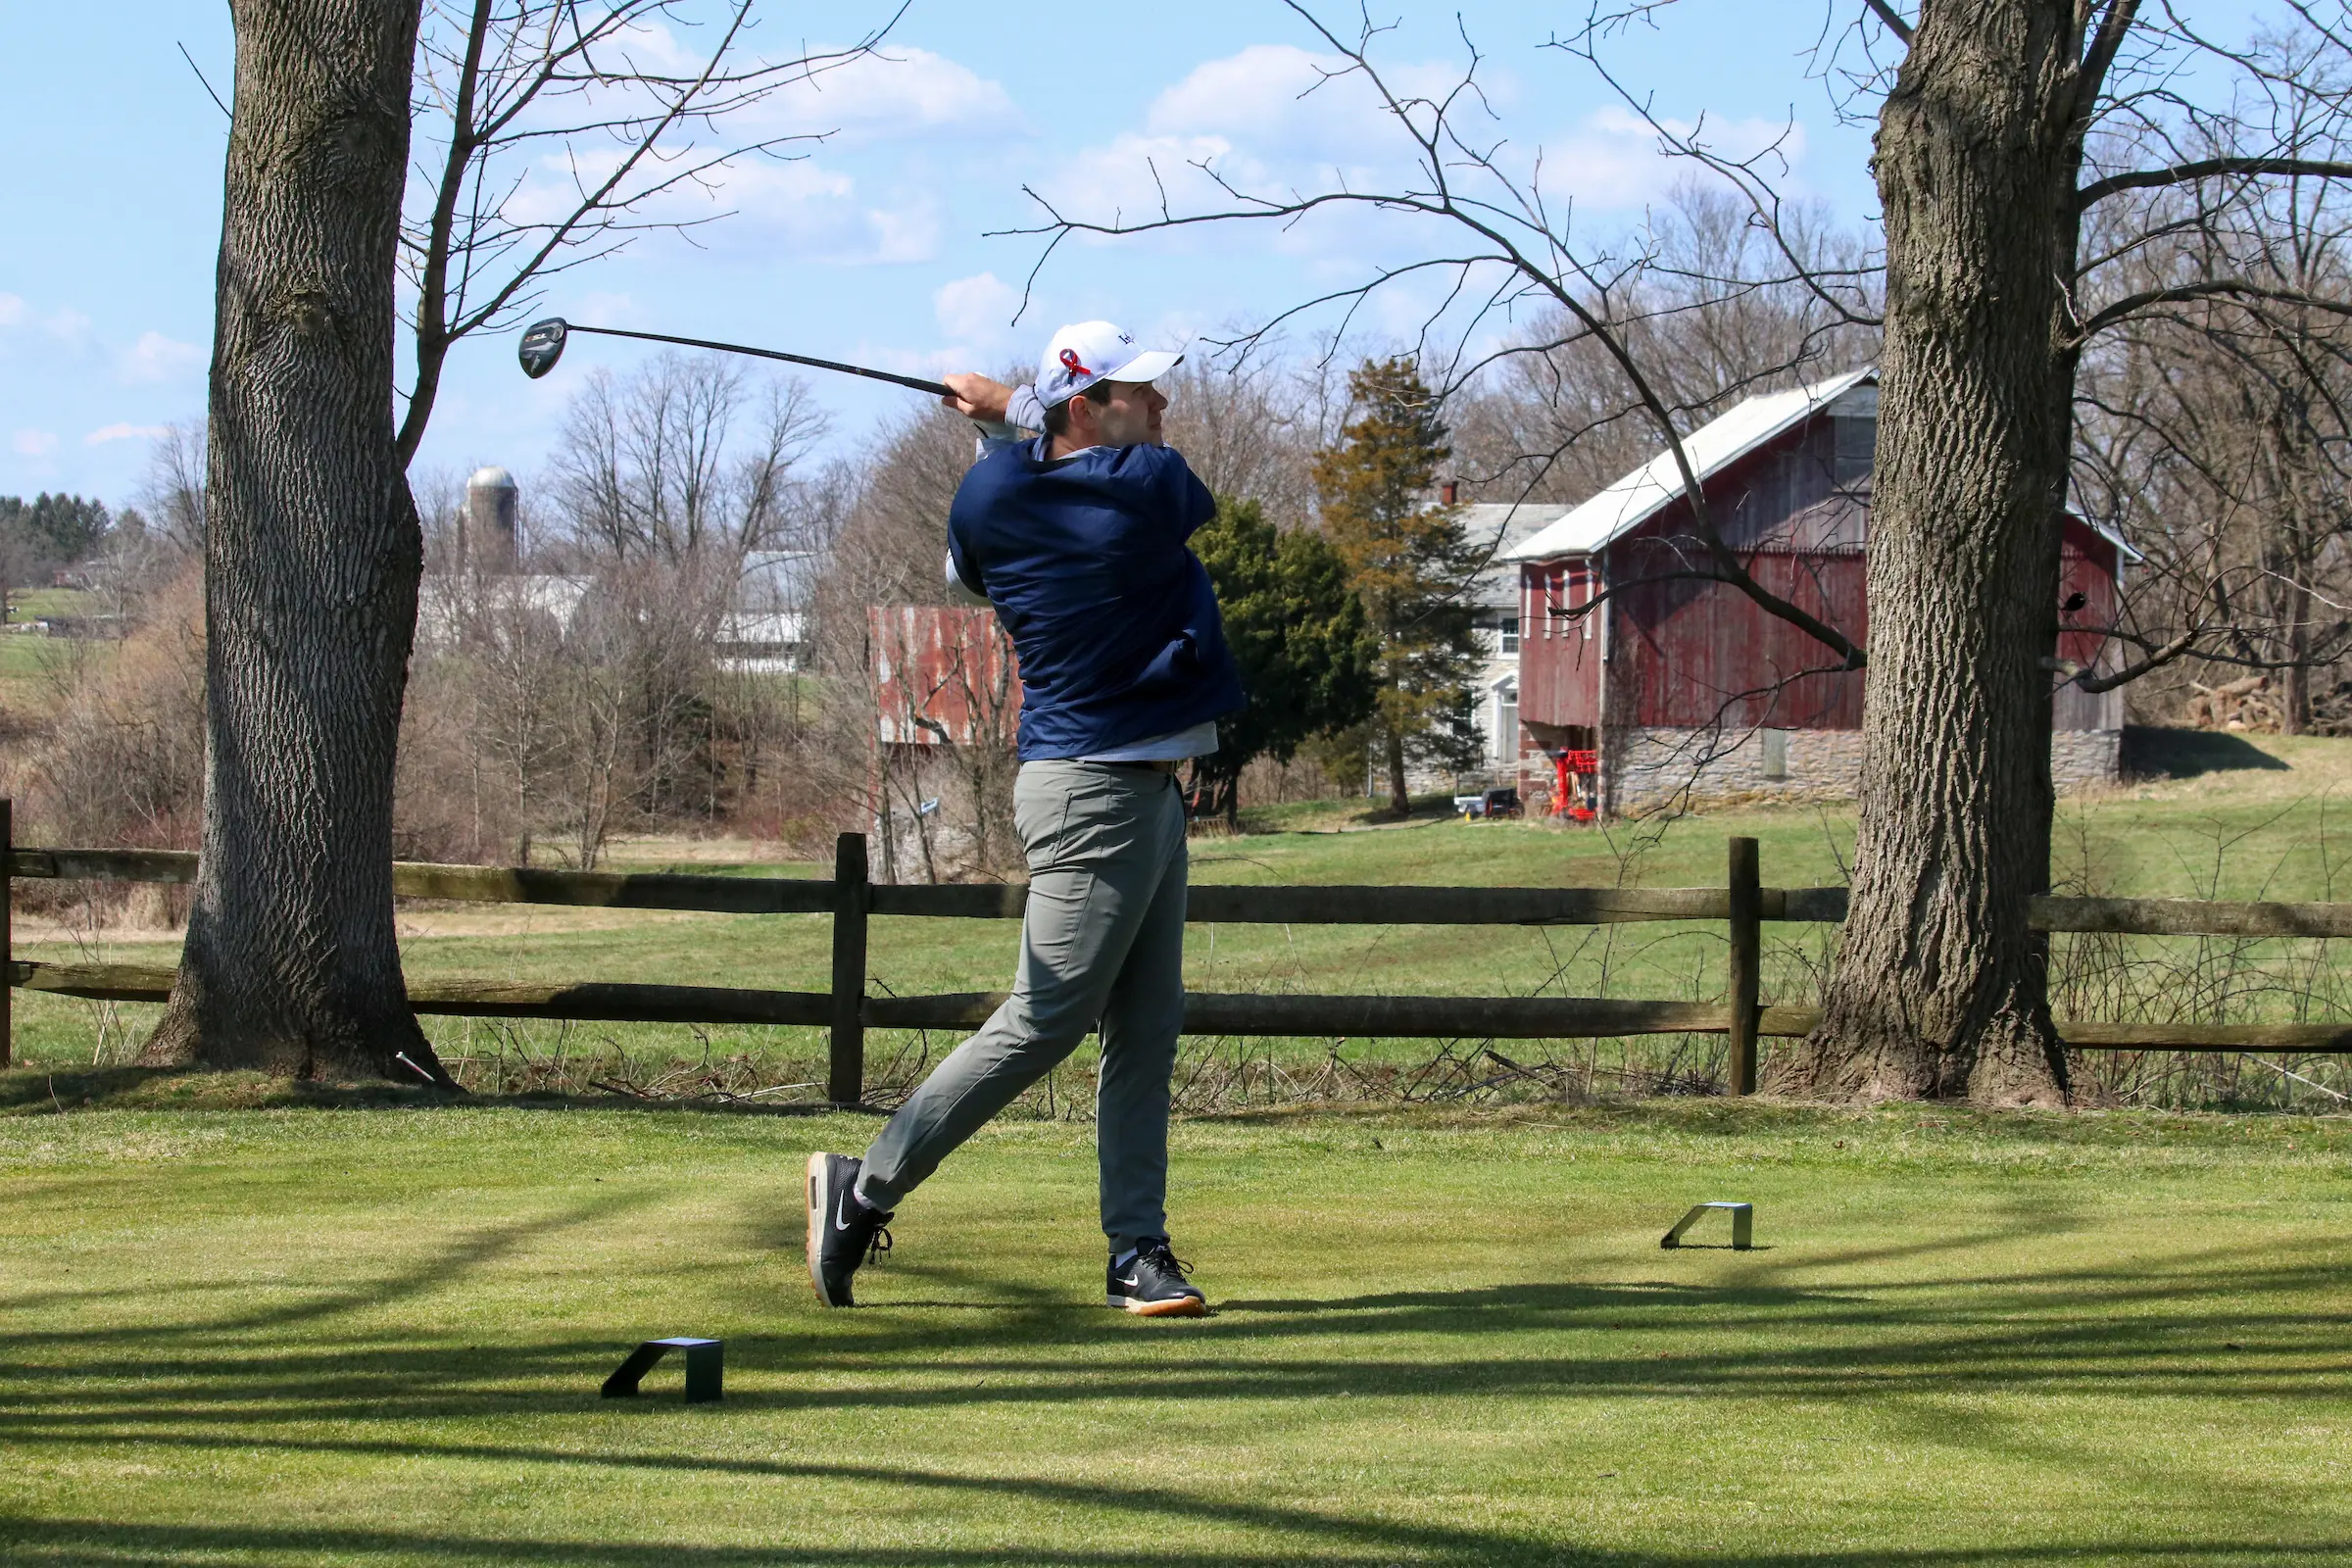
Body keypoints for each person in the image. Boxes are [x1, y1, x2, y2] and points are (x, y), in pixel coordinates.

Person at [807, 319, 1245, 1317]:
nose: (1162, 408)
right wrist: (1008, 409)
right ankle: (865, 1189)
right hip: (1096, 789)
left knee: (1146, 1025)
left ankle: (1138, 1251)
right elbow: (1159, 487)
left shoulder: (995, 494)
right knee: (1044, 1020)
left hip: (1132, 785)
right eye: (1139, 393)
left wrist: (1005, 439)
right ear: (1086, 406)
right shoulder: (1139, 491)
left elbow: (971, 560)